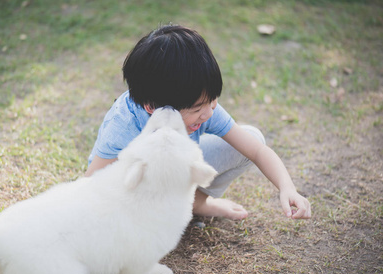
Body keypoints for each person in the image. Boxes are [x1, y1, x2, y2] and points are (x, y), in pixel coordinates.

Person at [85, 24, 311, 221]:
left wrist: (287, 187)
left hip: (173, 177)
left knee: (252, 136)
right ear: (153, 108)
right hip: (137, 191)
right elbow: (92, 185)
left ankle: (197, 204)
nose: (208, 114)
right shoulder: (124, 125)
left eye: (213, 100)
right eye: (197, 108)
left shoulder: (203, 106)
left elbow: (257, 151)